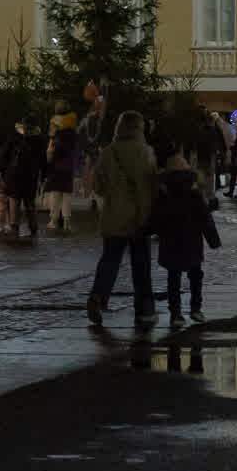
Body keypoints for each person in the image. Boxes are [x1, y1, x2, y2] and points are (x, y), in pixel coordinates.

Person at [85, 108, 159, 327]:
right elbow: (153, 185)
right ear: (139, 128)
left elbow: (97, 186)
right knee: (141, 265)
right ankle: (144, 308)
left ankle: (97, 297)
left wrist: (114, 193)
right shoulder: (146, 152)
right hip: (139, 217)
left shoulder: (109, 152)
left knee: (109, 260)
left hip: (113, 215)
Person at [151, 145, 221, 324]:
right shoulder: (194, 193)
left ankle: (176, 313)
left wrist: (149, 231)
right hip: (192, 241)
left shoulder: (163, 193)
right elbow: (205, 218)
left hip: (170, 241)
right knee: (195, 275)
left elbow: (156, 218)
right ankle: (196, 309)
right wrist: (213, 240)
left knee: (173, 278)